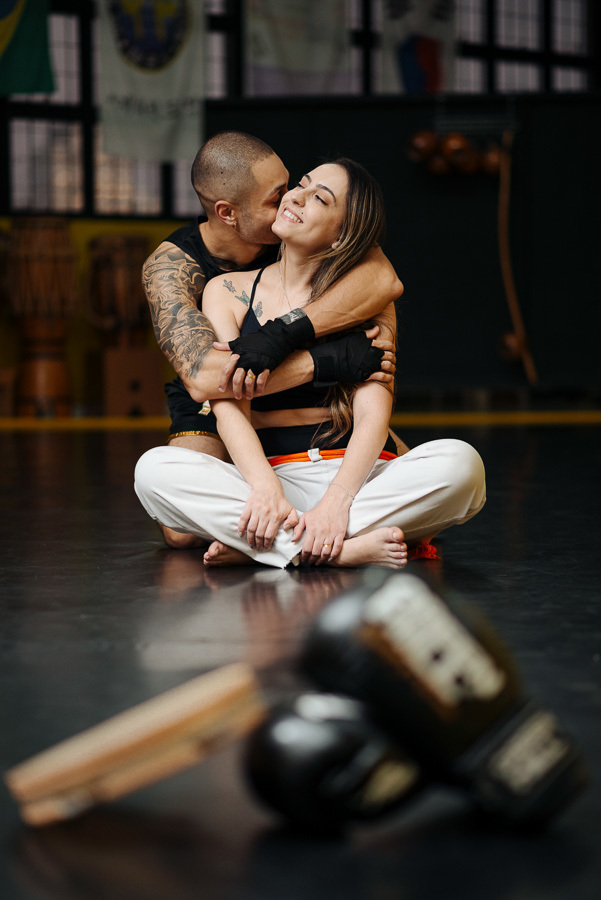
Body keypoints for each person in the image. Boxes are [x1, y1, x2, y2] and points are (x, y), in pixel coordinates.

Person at [135, 158, 486, 569]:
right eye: (300, 185)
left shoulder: (367, 297)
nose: (295, 197)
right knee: (154, 471)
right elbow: (226, 402)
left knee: (463, 466)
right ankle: (335, 549)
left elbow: (374, 411)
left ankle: (271, 546)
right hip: (274, 475)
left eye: (319, 197)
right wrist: (266, 489)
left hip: (355, 479)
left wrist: (338, 501)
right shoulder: (225, 290)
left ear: (342, 237)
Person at [141, 130, 406, 549]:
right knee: (179, 531)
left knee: (414, 461)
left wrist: (287, 332)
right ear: (228, 213)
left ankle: (287, 535)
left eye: (293, 184)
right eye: (276, 196)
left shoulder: (297, 229)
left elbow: (383, 280)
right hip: (214, 407)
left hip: (302, 407)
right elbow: (206, 380)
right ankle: (323, 540)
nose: (291, 199)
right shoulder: (171, 269)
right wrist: (325, 361)